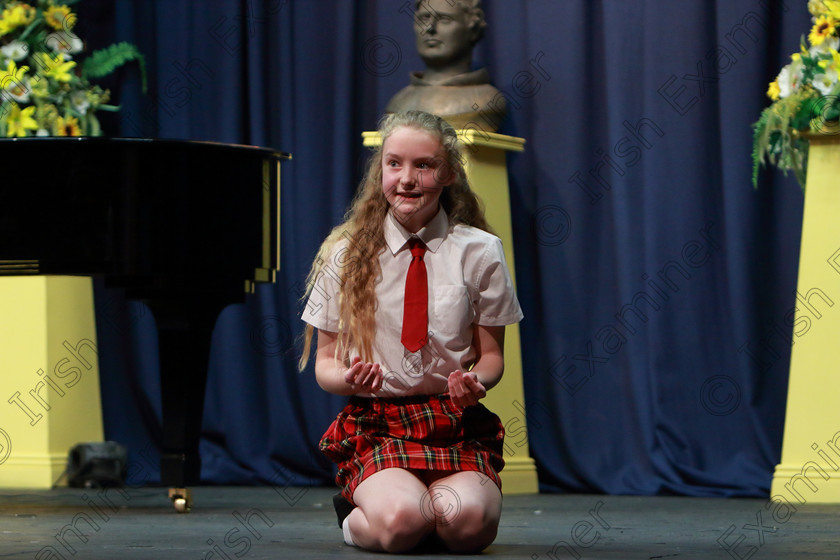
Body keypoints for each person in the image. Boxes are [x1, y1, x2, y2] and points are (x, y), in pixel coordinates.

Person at [299, 110, 523, 553]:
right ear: (380, 171)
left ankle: (425, 512)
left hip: (452, 424)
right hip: (380, 424)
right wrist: (348, 380)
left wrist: (477, 381)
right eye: (394, 163)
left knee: (467, 525)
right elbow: (325, 366)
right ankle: (364, 516)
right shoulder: (345, 254)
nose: (407, 178)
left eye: (424, 165)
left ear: (449, 174)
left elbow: (492, 357)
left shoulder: (480, 250)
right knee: (404, 522)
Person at [385, 0, 506, 131]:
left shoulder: (485, 101)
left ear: (473, 29)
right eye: (424, 18)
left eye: (444, 19)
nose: (430, 28)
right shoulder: (399, 102)